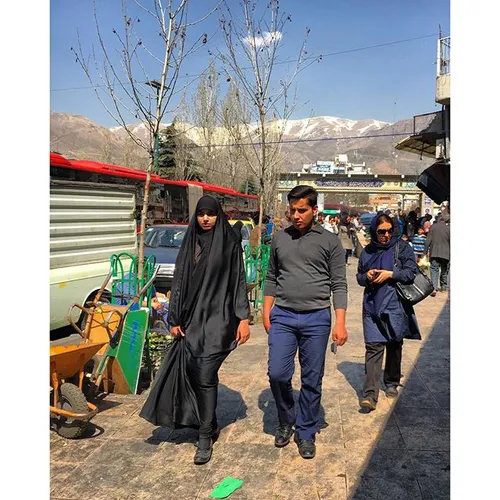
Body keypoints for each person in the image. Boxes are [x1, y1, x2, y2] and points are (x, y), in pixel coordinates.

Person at [140, 195, 250, 465]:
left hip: (219, 319)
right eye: (201, 213)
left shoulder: (229, 243)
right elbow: (178, 282)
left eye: (210, 214)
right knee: (192, 370)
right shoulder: (190, 242)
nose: (205, 218)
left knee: (204, 372)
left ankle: (204, 435)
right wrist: (174, 318)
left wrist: (243, 317)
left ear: (217, 215)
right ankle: (207, 422)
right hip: (192, 319)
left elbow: (238, 280)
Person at [263, 185, 348, 460]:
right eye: (293, 210)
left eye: (302, 210)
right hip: (284, 316)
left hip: (317, 319)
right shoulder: (280, 239)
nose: (296, 215)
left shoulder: (329, 241)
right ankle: (286, 419)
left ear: (315, 210)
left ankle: (307, 431)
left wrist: (340, 322)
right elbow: (271, 277)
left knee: (312, 378)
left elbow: (339, 283)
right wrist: (267, 311)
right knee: (277, 373)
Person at [356, 212, 421, 411]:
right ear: (374, 231)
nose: (385, 235)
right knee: (373, 348)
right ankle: (369, 394)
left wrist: (391, 274)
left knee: (394, 344)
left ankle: (391, 381)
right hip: (372, 305)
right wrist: (367, 276)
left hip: (395, 305)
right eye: (381, 231)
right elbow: (359, 277)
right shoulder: (368, 251)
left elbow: (411, 273)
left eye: (389, 231)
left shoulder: (402, 248)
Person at [424, 213, 450, 296]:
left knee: (434, 270)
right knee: (444, 270)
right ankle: (443, 287)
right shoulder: (449, 228)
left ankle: (434, 288)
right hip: (446, 254)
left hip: (434, 252)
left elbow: (428, 240)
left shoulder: (433, 227)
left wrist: (424, 252)